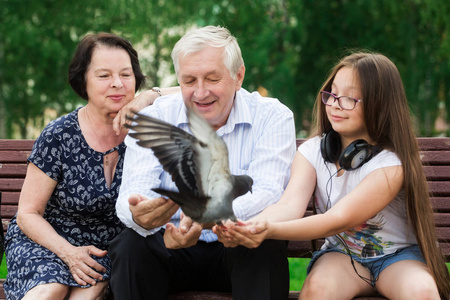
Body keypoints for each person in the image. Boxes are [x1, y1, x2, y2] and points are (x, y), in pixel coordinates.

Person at [213, 52, 450, 299]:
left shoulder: (392, 164)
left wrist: (267, 229)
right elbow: (289, 206)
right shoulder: (311, 152)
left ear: (379, 104)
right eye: (332, 93)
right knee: (318, 290)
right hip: (342, 256)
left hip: (397, 257)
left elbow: (339, 218)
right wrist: (251, 226)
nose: (335, 104)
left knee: (422, 291)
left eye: (349, 98)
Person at [110, 25, 296, 299]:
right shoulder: (157, 116)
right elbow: (132, 193)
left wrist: (210, 217)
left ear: (238, 76)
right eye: (188, 81)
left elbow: (267, 193)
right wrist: (140, 213)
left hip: (236, 245)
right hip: (172, 243)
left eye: (212, 79)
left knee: (263, 244)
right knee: (130, 245)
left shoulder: (272, 116)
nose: (200, 92)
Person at [3, 32, 147, 300]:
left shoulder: (147, 131)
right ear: (84, 81)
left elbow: (196, 92)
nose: (117, 84)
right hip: (47, 242)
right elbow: (28, 213)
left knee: (86, 295)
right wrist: (68, 252)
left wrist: (150, 96)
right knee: (50, 291)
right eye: (104, 76)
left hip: (105, 251)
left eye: (126, 75)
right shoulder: (59, 134)